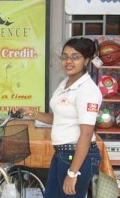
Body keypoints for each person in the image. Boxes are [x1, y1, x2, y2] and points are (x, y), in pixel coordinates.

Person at [18, 37, 102, 197]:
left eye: (75, 57)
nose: (68, 61)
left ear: (86, 60)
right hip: (62, 155)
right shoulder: (65, 84)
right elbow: (60, 118)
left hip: (77, 157)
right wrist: (33, 113)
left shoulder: (87, 90)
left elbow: (86, 133)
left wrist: (73, 173)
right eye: (65, 56)